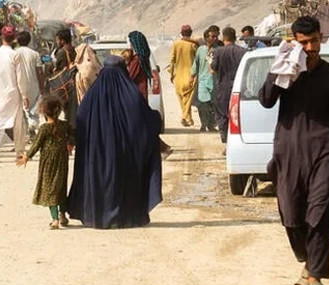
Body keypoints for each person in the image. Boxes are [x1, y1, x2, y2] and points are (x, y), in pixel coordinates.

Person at [259, 16, 329, 285]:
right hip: (289, 152)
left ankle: (316, 280)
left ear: (321, 38)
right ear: (294, 42)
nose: (310, 48)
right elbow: (266, 100)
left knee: (321, 214)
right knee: (292, 215)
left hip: (325, 152)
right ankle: (308, 262)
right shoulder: (288, 72)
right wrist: (281, 67)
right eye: (303, 43)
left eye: (314, 41)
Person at [67, 56, 163, 229]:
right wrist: (155, 119)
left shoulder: (91, 97)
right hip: (125, 156)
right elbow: (146, 122)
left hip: (96, 156)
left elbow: (80, 121)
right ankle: (125, 217)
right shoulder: (132, 96)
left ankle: (97, 216)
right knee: (124, 180)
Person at [16, 94, 74, 229]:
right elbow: (72, 134)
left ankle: (55, 219)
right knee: (61, 187)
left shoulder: (44, 129)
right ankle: (63, 215)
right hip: (62, 162)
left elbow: (36, 145)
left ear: (43, 112)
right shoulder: (64, 125)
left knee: (50, 189)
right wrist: (70, 143)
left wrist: (27, 156)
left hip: (48, 164)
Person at [0, 25, 31, 162]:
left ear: (1, 37)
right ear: (14, 39)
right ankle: (19, 152)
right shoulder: (15, 55)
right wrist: (24, 95)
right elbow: (20, 78)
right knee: (18, 123)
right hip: (13, 94)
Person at [212, 27, 247, 143]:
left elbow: (212, 69)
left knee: (222, 115)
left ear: (223, 37)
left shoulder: (218, 52)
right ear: (235, 37)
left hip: (223, 89)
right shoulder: (243, 52)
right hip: (239, 88)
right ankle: (237, 139)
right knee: (237, 114)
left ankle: (225, 140)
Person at [168, 25, 199, 127]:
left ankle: (186, 117)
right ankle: (185, 117)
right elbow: (197, 60)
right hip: (191, 75)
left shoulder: (176, 44)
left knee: (181, 97)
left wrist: (171, 73)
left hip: (178, 76)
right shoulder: (193, 45)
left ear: (181, 33)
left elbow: (172, 60)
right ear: (191, 33)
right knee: (188, 98)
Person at [15, 31, 45, 131]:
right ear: (29, 40)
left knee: (21, 110)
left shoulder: (14, 54)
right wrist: (42, 88)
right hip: (33, 86)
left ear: (18, 41)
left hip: (18, 86)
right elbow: (39, 72)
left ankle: (25, 131)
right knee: (33, 110)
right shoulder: (35, 54)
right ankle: (32, 127)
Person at [192, 29, 216, 132]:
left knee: (213, 105)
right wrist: (192, 75)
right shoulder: (200, 50)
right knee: (202, 105)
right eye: (212, 36)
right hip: (202, 81)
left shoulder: (218, 50)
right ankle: (203, 124)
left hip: (214, 81)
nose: (215, 38)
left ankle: (211, 125)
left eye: (216, 36)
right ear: (206, 38)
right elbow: (196, 63)